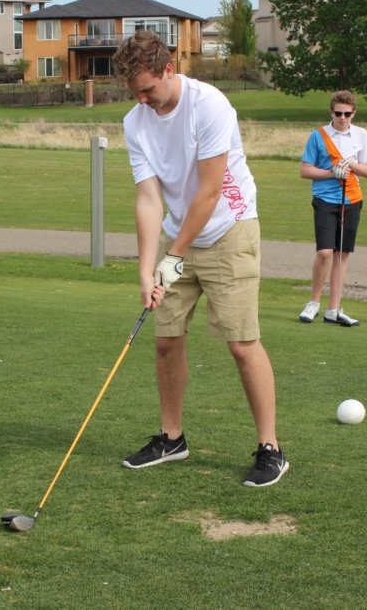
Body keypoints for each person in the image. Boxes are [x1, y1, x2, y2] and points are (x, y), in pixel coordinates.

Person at [111, 29, 287, 488]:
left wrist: (173, 257)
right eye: (134, 93)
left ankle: (271, 447)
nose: (142, 100)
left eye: (147, 89)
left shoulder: (209, 105)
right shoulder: (135, 122)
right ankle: (172, 438)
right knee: (166, 339)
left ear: (169, 69)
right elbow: (149, 198)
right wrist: (146, 270)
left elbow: (209, 192)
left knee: (241, 342)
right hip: (178, 236)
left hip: (230, 228)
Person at [298, 91, 367, 327]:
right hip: (325, 199)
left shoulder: (360, 134)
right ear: (331, 113)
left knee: (342, 253)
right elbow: (305, 170)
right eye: (338, 113)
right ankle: (313, 302)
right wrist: (332, 172)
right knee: (325, 252)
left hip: (352, 198)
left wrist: (350, 165)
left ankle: (334, 308)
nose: (342, 118)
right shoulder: (318, 135)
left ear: (353, 114)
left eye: (347, 114)